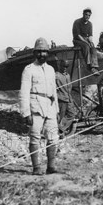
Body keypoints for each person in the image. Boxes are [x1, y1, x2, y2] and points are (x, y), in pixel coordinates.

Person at [19, 37, 60, 175]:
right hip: (35, 107)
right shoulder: (28, 69)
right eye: (39, 52)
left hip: (50, 107)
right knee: (35, 136)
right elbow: (23, 92)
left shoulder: (51, 70)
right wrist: (26, 113)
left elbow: (54, 90)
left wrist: (57, 109)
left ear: (48, 53)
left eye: (44, 52)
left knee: (53, 136)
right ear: (34, 53)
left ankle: (51, 166)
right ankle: (36, 167)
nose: (42, 54)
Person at [72, 7, 100, 76]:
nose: (87, 16)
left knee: (93, 47)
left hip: (86, 39)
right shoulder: (77, 22)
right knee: (86, 46)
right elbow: (78, 35)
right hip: (77, 40)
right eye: (86, 15)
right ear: (83, 14)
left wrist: (90, 42)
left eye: (89, 15)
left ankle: (94, 66)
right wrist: (86, 42)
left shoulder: (90, 24)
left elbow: (90, 36)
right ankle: (89, 65)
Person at [55, 59, 76, 137]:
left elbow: (69, 87)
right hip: (61, 99)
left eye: (66, 66)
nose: (64, 68)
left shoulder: (68, 75)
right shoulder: (56, 75)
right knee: (60, 116)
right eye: (63, 66)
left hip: (69, 98)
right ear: (59, 66)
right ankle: (57, 133)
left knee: (72, 114)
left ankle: (60, 128)